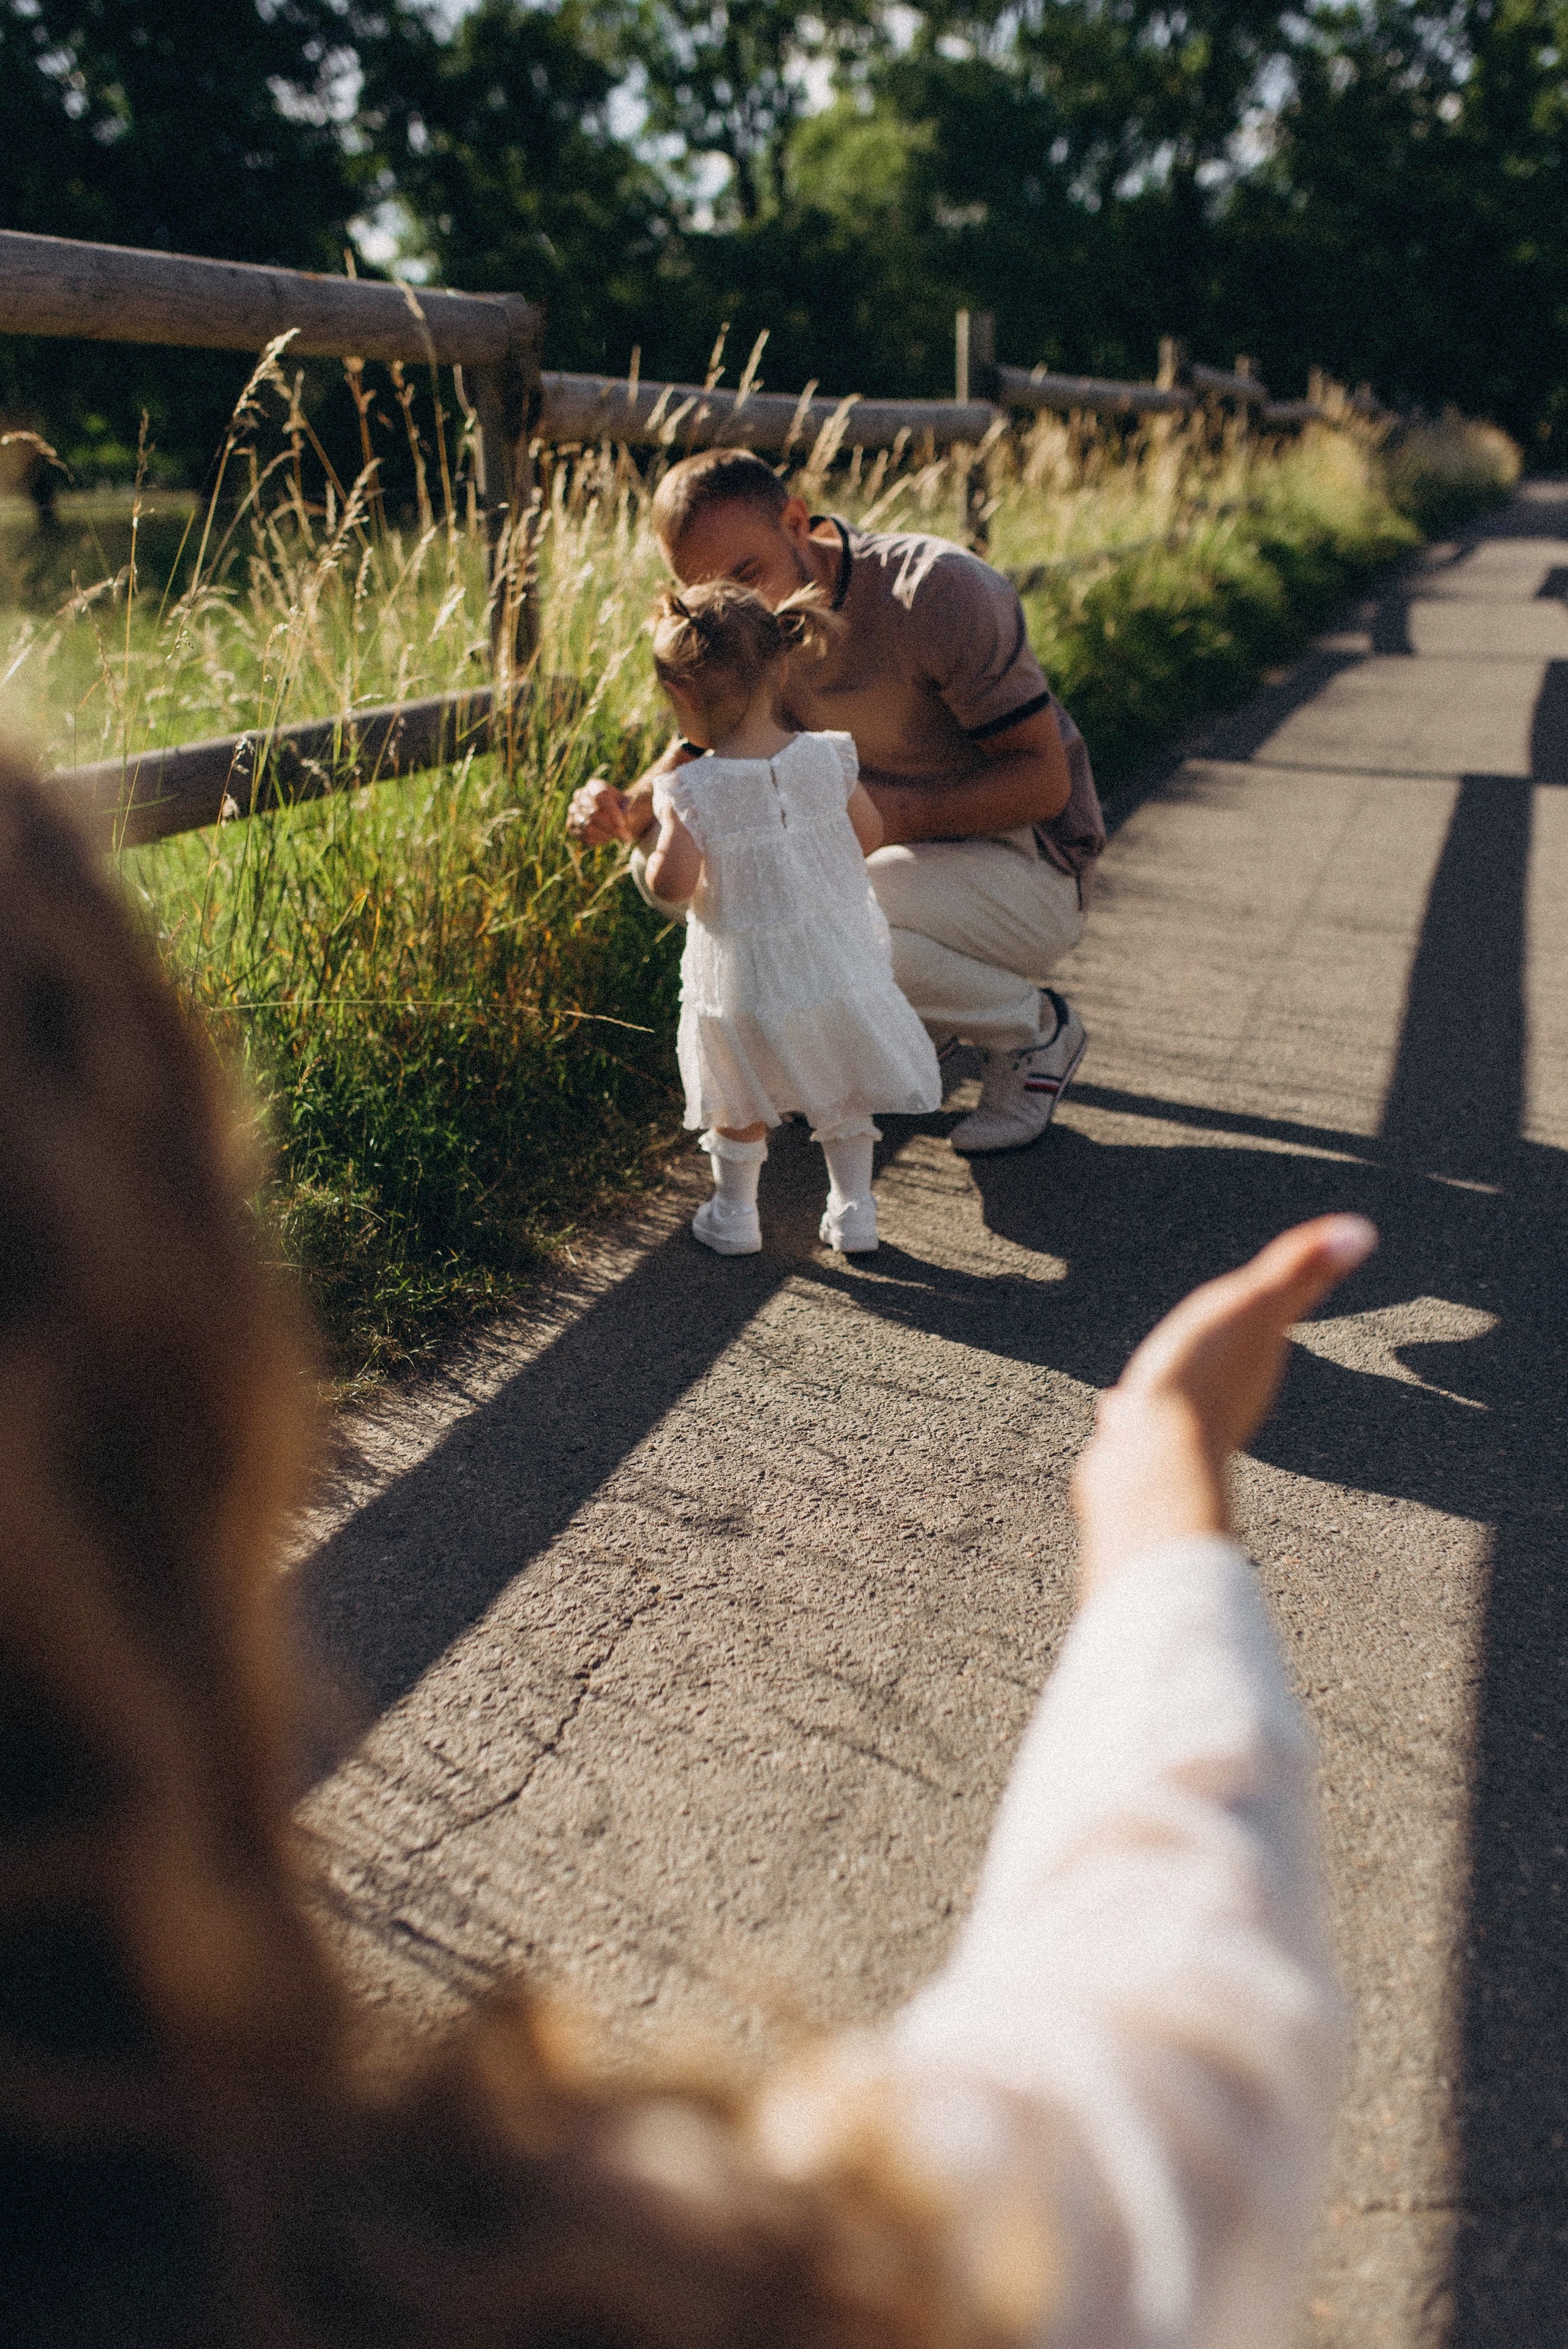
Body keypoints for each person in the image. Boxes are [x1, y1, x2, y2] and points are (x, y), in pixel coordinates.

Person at [0, 737, 1370, 2348]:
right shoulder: (572, 2284)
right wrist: (1159, 1509)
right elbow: (1164, 2086)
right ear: (189, 1405)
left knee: (777, 1110)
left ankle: (799, 1198)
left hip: (767, 1000)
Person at [568, 447, 1107, 1156]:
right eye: (706, 592)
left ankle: (1033, 1030)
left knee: (829, 913)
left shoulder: (937, 590)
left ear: (796, 522)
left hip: (1031, 863)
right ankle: (910, 1027)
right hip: (893, 851)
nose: (737, 608)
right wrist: (627, 807)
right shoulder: (747, 635)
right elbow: (705, 753)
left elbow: (1044, 782)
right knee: (675, 877)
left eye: (747, 574)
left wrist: (875, 817)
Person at [643, 577, 941, 1257]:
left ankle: (735, 1215)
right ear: (779, 667)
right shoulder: (828, 755)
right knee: (840, 1087)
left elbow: (672, 884)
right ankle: (854, 1210)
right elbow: (869, 833)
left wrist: (663, 842)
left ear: (683, 696)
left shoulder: (689, 788)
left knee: (739, 1096)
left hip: (744, 980)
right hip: (831, 961)